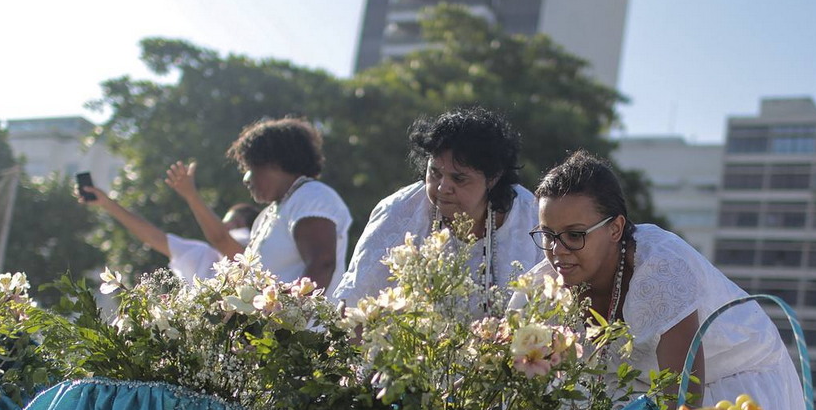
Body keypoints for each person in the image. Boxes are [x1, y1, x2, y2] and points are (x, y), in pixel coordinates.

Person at [522, 149, 806, 410]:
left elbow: (684, 402)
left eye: (574, 235)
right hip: (649, 395)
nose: (557, 250)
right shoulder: (542, 288)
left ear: (615, 229)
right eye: (547, 235)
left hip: (734, 387)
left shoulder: (662, 268)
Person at [334, 108, 541, 312]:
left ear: (493, 178)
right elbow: (354, 307)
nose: (442, 187)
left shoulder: (529, 215)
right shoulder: (397, 212)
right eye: (434, 173)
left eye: (458, 179)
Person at [166, 116, 352, 295]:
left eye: (249, 168)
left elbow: (323, 263)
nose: (246, 179)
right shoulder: (269, 214)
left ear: (274, 163)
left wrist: (289, 323)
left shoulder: (311, 195)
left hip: (307, 328)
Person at [78, 185, 259, 281]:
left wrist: (191, 195)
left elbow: (222, 240)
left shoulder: (254, 252)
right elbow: (154, 237)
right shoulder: (203, 254)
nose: (220, 227)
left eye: (225, 223)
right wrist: (107, 203)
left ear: (238, 224)